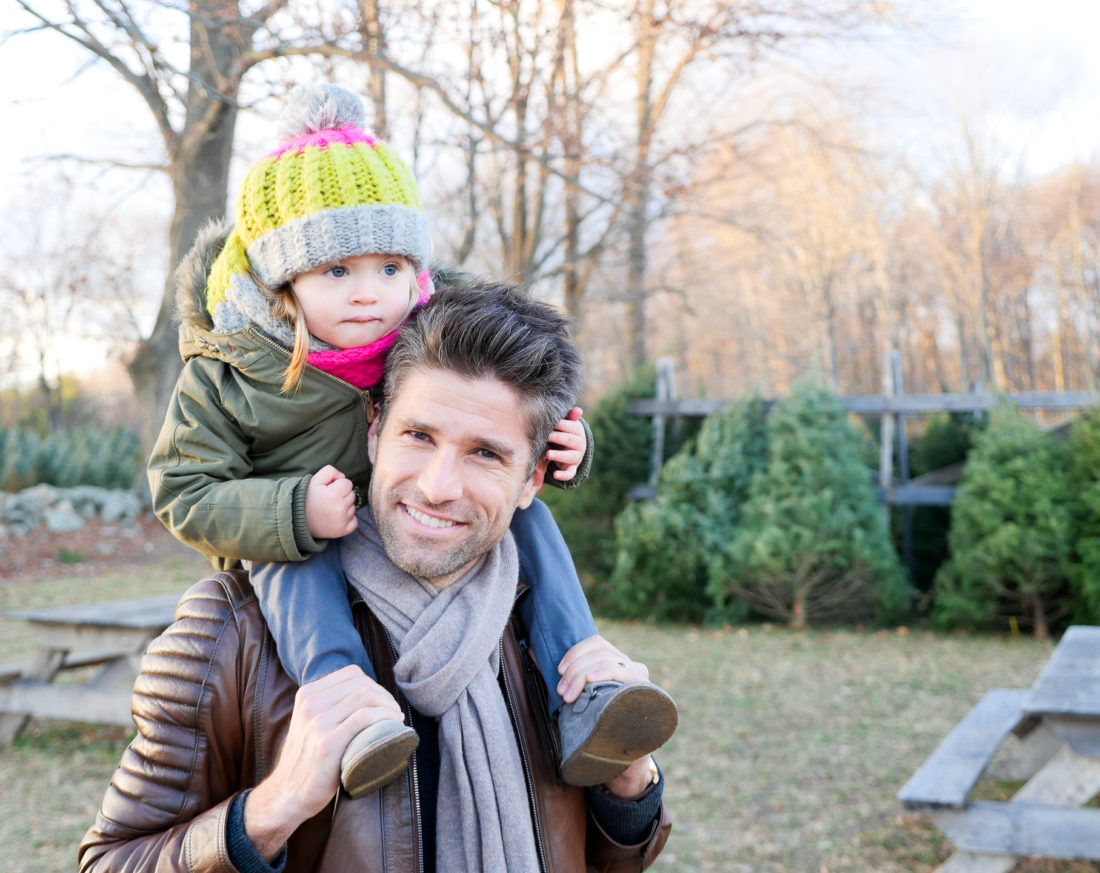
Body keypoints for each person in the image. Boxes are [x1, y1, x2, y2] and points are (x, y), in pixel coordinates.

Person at [146, 81, 677, 801]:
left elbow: (509, 418)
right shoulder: (231, 367)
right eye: (338, 271)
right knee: (294, 569)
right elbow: (182, 488)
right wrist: (290, 510)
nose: (369, 294)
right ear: (283, 280)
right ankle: (348, 706)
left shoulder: (431, 330)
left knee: (534, 522)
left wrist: (567, 444)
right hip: (300, 531)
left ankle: (582, 682)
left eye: (390, 268)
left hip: (413, 529)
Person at [80, 280, 672, 873]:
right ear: (374, 427)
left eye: (486, 454)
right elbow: (109, 861)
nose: (439, 486)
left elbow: (594, 859)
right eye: (418, 436)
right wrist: (272, 810)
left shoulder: (555, 647)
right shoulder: (230, 634)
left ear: (534, 480)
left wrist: (629, 785)